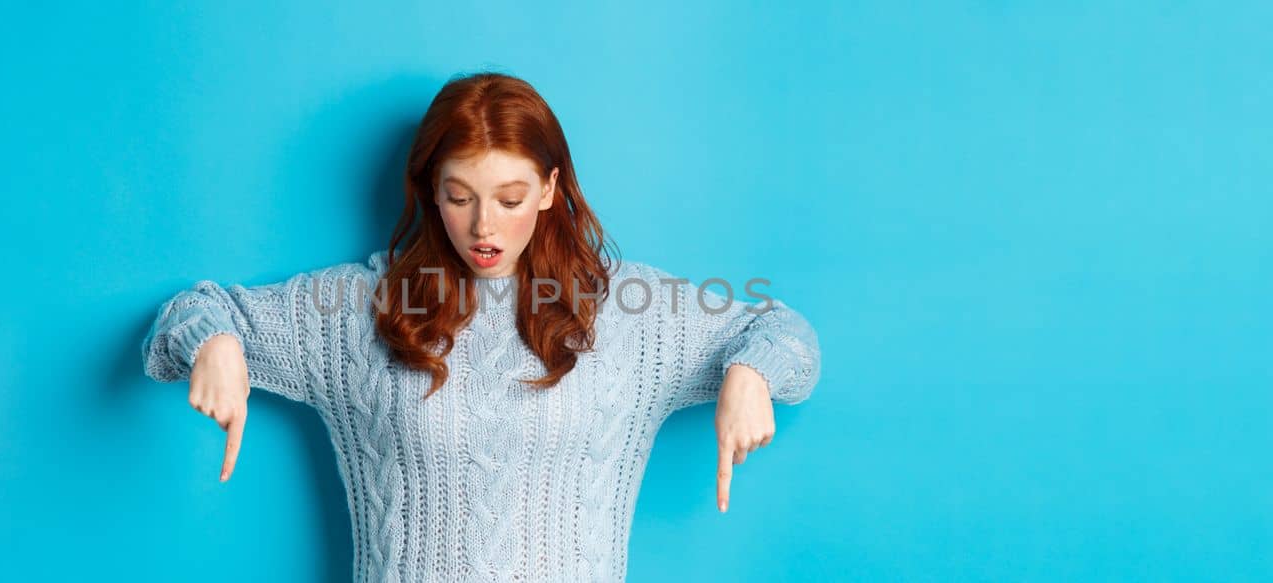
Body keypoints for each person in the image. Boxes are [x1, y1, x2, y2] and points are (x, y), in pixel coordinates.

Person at [141, 71, 822, 583]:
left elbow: (783, 331)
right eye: (460, 197)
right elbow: (190, 313)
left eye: (510, 198)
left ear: (551, 190)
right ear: (430, 189)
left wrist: (751, 370)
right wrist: (217, 342)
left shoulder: (626, 310)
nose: (484, 226)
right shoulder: (358, 307)